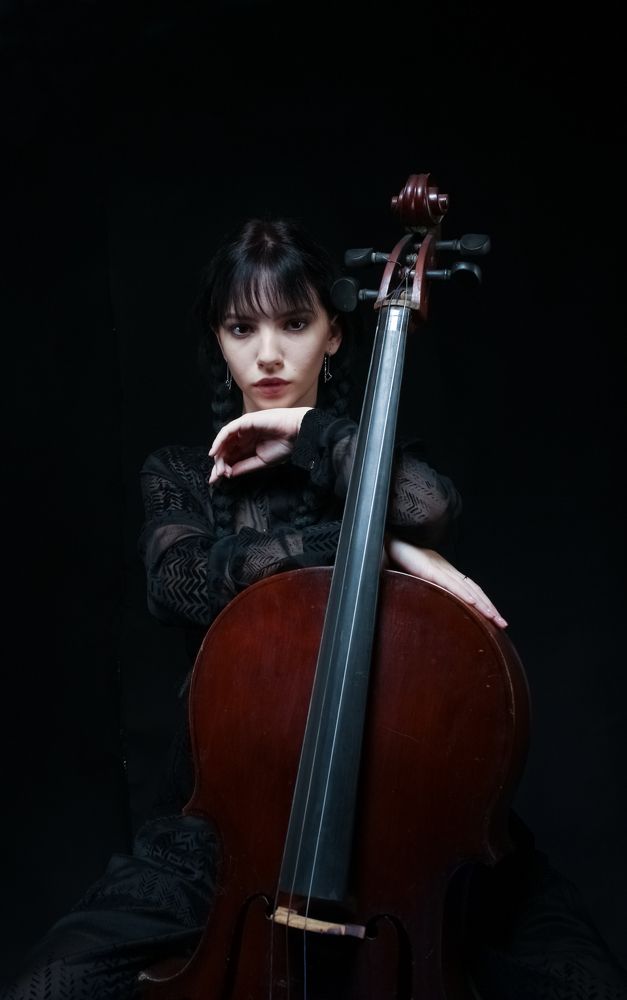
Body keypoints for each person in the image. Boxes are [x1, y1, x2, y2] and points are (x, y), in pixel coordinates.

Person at [2, 217, 626, 1000]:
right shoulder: (181, 475)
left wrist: (307, 431)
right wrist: (376, 546)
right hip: (217, 838)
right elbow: (182, 583)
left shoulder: (373, 465)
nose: (267, 354)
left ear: (333, 333)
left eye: (294, 324)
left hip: (407, 831)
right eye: (241, 328)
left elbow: (426, 503)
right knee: (52, 986)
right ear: (218, 339)